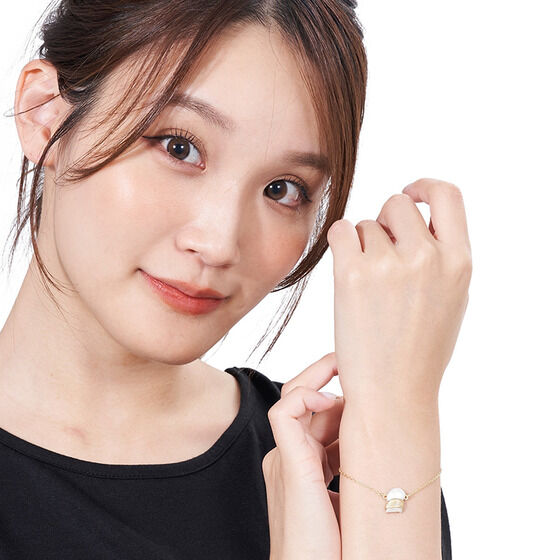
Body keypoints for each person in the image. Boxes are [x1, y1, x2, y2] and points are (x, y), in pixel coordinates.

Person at [0, 1, 460, 559]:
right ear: (43, 114)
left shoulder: (342, 468)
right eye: (179, 147)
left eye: (282, 189)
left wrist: (398, 411)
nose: (219, 243)